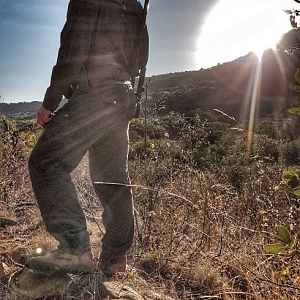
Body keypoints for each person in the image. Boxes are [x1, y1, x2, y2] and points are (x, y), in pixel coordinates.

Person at [26, 0, 148, 274]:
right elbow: (141, 56)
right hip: (122, 95)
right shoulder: (135, 4)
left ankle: (74, 250)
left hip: (95, 92)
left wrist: (50, 101)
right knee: (112, 178)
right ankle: (116, 259)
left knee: (46, 161)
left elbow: (74, 46)